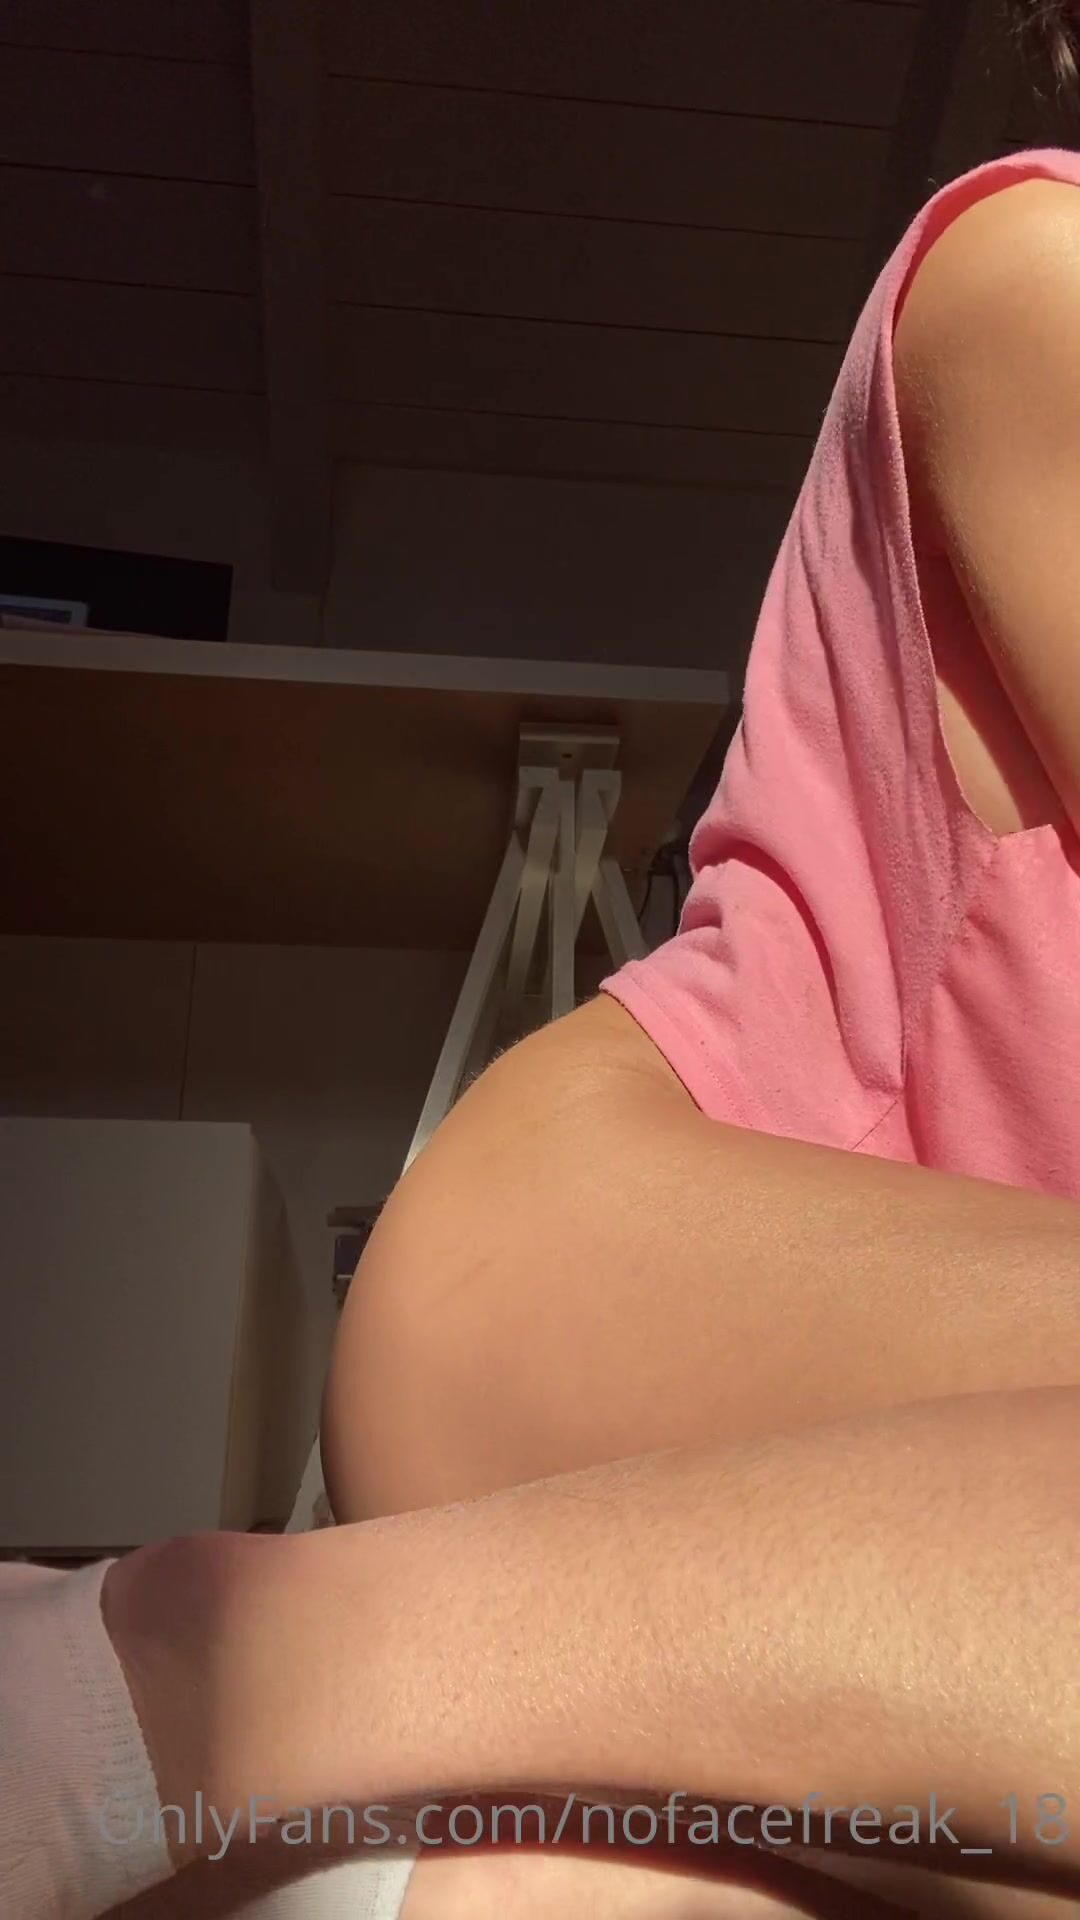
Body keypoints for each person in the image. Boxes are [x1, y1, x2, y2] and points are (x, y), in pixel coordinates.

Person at [4, 5, 1080, 1916]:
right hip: (642, 1264)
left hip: (928, 1520)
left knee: (594, 1889)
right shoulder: (1047, 275)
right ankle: (170, 1691)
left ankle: (165, 1719)